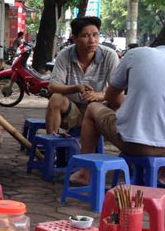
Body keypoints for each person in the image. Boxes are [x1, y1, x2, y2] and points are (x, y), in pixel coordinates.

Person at [70, 45, 165, 184]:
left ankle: (85, 173)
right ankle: (160, 174)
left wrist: (130, 108)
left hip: (136, 145)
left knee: (93, 108)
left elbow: (111, 96)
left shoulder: (136, 54)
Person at [45, 16, 119, 135]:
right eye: (85, 36)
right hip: (72, 111)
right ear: (74, 38)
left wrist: (100, 95)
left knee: (119, 101)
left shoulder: (110, 55)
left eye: (95, 35)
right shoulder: (65, 55)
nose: (92, 40)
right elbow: (52, 86)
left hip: (99, 111)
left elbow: (117, 92)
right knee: (56, 98)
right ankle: (51, 144)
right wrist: (76, 88)